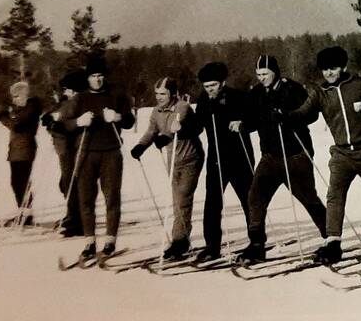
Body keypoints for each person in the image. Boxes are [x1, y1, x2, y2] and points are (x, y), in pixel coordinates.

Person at [282, 46, 361, 264]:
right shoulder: (321, 92)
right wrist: (285, 116)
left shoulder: (359, 84)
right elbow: (304, 113)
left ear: (343, 67)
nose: (329, 73)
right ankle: (333, 242)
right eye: (325, 70)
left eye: (333, 68)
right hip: (342, 154)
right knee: (334, 195)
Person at [238, 55, 327, 263]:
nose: (262, 78)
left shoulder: (291, 88)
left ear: (275, 72)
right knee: (255, 197)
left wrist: (287, 116)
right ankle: (257, 244)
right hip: (270, 156)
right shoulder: (257, 93)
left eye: (265, 74)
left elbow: (311, 114)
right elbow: (253, 120)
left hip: (295, 155)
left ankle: (330, 236)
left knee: (307, 198)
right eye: (259, 74)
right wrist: (243, 125)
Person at [62, 57, 135, 259]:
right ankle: (89, 242)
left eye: (100, 75)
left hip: (111, 152)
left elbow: (130, 120)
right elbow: (65, 124)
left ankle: (110, 240)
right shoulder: (80, 98)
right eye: (93, 76)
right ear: (88, 78)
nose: (97, 80)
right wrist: (79, 121)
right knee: (86, 199)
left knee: (112, 197)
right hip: (86, 152)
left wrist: (117, 117)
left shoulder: (116, 95)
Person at [130, 77, 205, 261]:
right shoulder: (156, 111)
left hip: (190, 159)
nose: (159, 97)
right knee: (176, 201)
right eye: (156, 94)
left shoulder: (182, 107)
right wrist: (141, 146)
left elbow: (177, 127)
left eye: (163, 94)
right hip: (173, 161)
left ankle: (179, 242)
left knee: (182, 199)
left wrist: (165, 137)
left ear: (172, 94)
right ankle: (182, 238)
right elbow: (151, 131)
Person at [193, 62, 255, 262]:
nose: (209, 89)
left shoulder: (239, 97)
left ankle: (256, 242)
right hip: (216, 159)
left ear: (222, 82)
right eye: (206, 86)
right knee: (212, 203)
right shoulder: (204, 100)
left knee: (249, 201)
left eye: (213, 85)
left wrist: (243, 123)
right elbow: (196, 125)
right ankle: (212, 246)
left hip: (239, 158)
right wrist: (181, 128)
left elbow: (254, 119)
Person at [42, 70, 87, 236]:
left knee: (71, 184)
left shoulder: (76, 102)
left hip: (71, 149)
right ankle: (72, 216)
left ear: (73, 90)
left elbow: (67, 123)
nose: (64, 92)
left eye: (66, 89)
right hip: (63, 147)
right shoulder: (67, 102)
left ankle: (76, 221)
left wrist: (55, 125)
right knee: (66, 184)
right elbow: (60, 121)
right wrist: (50, 123)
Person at [0, 81, 42, 226]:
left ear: (23, 95)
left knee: (22, 183)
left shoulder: (31, 108)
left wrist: (3, 117)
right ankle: (23, 212)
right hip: (16, 150)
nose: (13, 100)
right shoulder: (22, 109)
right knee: (17, 182)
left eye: (16, 96)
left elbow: (16, 125)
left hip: (24, 150)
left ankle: (27, 214)